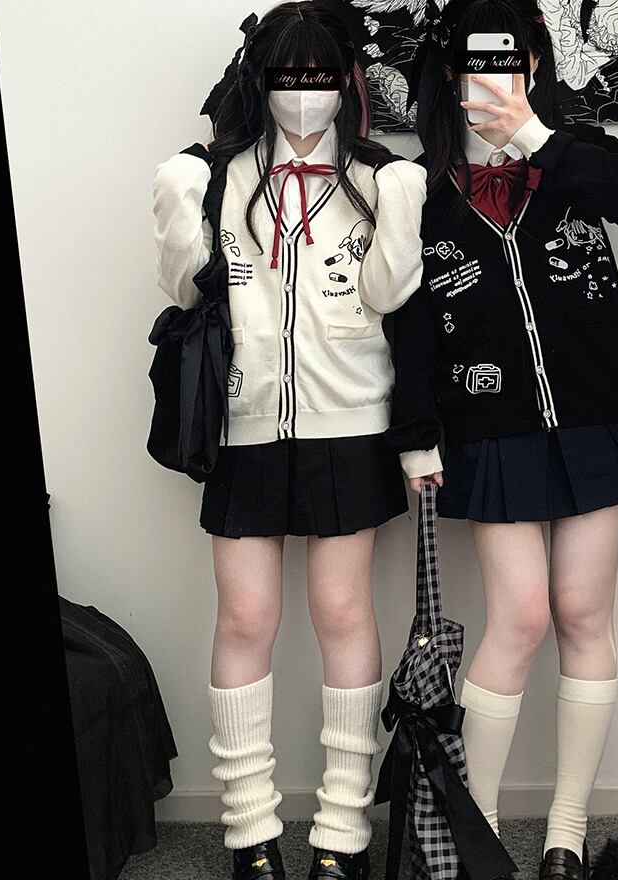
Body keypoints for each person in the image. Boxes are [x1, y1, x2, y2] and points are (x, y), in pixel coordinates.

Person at [385, 1, 618, 877]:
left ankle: (566, 833)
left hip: (593, 418)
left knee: (583, 613)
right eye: (476, 59)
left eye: (510, 56)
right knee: (521, 618)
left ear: (536, 63)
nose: (494, 74)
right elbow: (408, 327)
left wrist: (536, 137)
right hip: (490, 431)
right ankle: (472, 839)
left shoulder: (579, 154)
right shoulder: (421, 189)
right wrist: (416, 435)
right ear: (450, 74)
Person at [151, 3, 426, 878]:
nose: (303, 93)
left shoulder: (379, 178)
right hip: (243, 424)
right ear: (260, 79)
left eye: (319, 76)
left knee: (343, 613)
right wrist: (177, 202)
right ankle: (249, 833)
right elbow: (186, 292)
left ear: (346, 81)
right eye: (287, 76)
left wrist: (403, 201)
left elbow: (390, 295)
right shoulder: (217, 176)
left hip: (350, 425)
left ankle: (343, 833)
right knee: (245, 617)